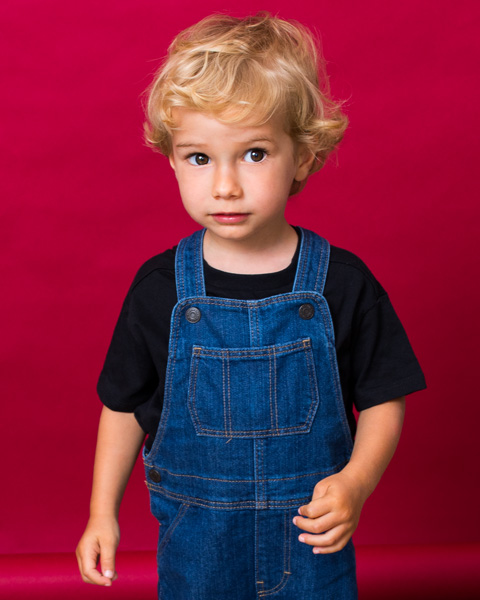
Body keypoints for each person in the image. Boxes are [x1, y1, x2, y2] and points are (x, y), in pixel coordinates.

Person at [76, 13, 426, 599]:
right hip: (198, 549)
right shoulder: (160, 288)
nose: (226, 185)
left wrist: (356, 483)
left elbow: (383, 398)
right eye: (200, 157)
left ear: (303, 156)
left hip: (310, 543)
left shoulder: (342, 284)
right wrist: (101, 513)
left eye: (255, 153)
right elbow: (124, 407)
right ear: (172, 159)